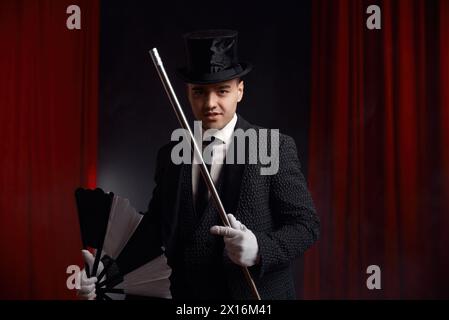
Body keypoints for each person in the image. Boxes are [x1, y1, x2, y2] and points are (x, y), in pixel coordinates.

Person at [78, 29, 320, 300]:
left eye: (222, 91)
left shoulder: (273, 146)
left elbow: (306, 225)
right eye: (200, 92)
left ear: (240, 91)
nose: (210, 103)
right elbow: (157, 230)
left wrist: (259, 249)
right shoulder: (171, 155)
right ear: (188, 93)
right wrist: (109, 270)